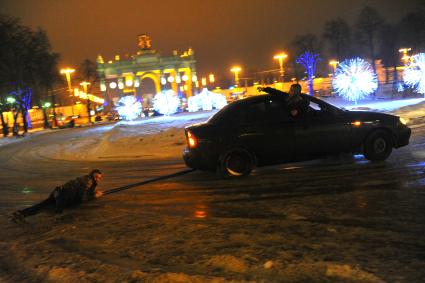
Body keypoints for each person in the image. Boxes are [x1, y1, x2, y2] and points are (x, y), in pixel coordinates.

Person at [11, 169, 104, 222]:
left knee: (42, 205)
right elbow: (82, 198)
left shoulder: (87, 179)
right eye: (96, 177)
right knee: (57, 214)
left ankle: (22, 213)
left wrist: (93, 193)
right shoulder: (88, 181)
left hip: (58, 191)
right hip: (63, 195)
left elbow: (83, 192)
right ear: (92, 175)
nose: (98, 179)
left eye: (99, 177)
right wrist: (94, 196)